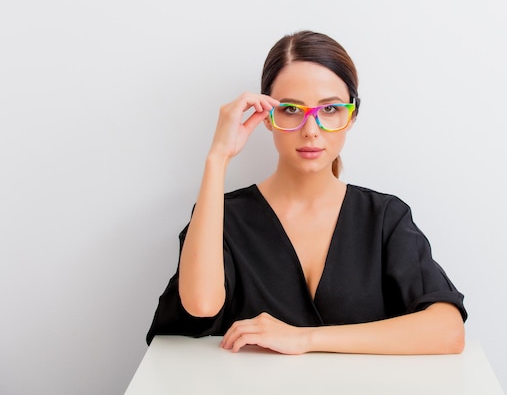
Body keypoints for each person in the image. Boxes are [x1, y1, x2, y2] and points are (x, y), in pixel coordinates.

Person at [146, 30, 468, 355]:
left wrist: (304, 339)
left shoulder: (384, 217)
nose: (311, 130)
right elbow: (200, 304)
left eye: (329, 110)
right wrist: (217, 159)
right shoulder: (224, 216)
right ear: (267, 117)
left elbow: (448, 330)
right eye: (291, 110)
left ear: (351, 115)